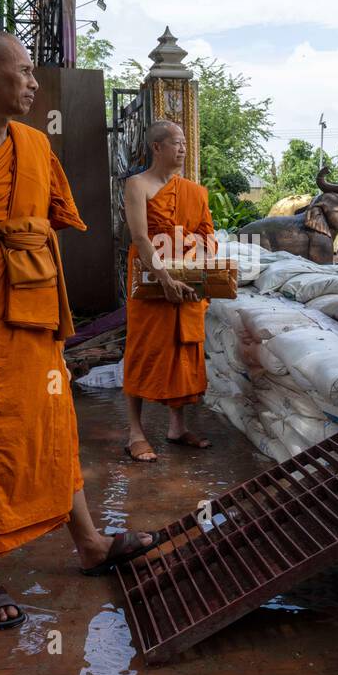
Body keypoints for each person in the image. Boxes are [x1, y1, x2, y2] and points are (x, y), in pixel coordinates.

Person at [0, 31, 155, 630]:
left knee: (51, 424)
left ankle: (90, 543)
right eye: (23, 71)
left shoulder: (34, 144)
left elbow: (42, 229)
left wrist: (56, 324)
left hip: (30, 309)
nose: (33, 83)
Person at [122, 120, 215, 462]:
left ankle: (177, 427)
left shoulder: (195, 191)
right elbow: (141, 238)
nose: (183, 149)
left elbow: (207, 237)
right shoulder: (138, 185)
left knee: (182, 351)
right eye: (176, 143)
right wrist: (164, 277)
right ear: (157, 147)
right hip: (149, 281)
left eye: (185, 143)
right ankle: (135, 432)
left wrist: (195, 271)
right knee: (143, 351)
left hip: (186, 281)